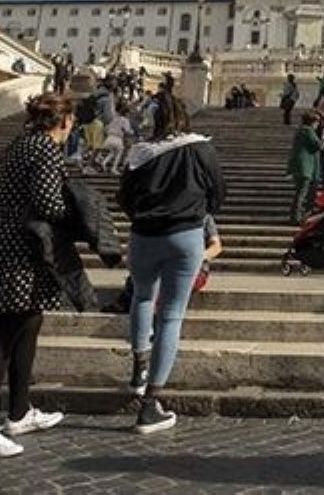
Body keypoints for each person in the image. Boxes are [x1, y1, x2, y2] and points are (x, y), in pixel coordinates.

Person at [0, 94, 75, 458]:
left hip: (7, 238)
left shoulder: (21, 144)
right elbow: (48, 202)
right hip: (21, 245)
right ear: (63, 122)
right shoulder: (46, 149)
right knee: (4, 330)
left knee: (30, 321)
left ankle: (19, 411)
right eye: (71, 122)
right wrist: (80, 210)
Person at [119, 90, 226, 434]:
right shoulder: (201, 148)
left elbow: (123, 196)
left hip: (143, 235)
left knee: (142, 297)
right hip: (185, 235)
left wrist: (143, 215)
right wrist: (196, 209)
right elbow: (219, 191)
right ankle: (150, 406)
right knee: (172, 315)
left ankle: (138, 369)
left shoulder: (140, 152)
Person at [287, 110, 323, 222]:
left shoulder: (301, 131)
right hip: (305, 167)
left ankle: (295, 215)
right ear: (312, 122)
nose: (318, 125)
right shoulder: (308, 131)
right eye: (317, 122)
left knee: (300, 192)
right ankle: (296, 217)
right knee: (302, 192)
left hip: (299, 166)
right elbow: (317, 145)